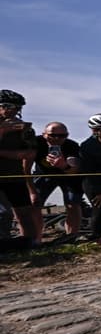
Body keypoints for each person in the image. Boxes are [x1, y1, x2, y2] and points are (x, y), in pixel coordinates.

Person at [31, 122, 83, 243]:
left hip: (68, 176)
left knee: (73, 204)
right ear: (44, 134)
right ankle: (36, 239)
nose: (57, 139)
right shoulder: (35, 143)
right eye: (52, 135)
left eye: (62, 136)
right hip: (44, 175)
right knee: (34, 205)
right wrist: (31, 191)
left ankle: (72, 237)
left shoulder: (72, 146)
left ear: (67, 135)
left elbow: (75, 168)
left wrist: (64, 165)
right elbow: (25, 166)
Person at [0, 90, 37, 247]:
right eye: (7, 106)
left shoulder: (25, 130)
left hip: (15, 176)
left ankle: (29, 243)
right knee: (3, 213)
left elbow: (29, 154)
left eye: (17, 107)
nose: (12, 110)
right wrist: (3, 131)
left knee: (25, 213)